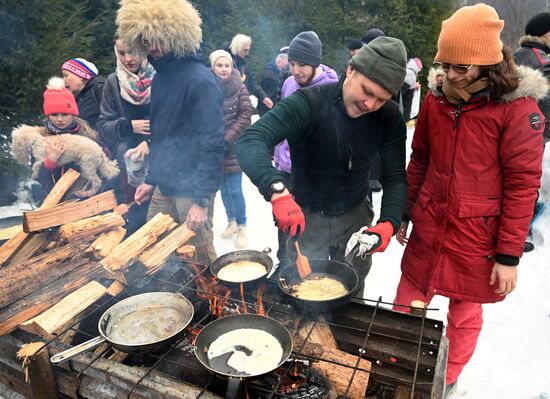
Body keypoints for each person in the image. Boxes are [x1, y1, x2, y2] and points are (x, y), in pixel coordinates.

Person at [393, 4, 545, 395]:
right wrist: (406, 211)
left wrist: (509, 256)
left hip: (478, 233)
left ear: (487, 63)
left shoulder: (517, 110)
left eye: (462, 67)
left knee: (464, 313)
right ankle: (395, 367)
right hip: (431, 219)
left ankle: (446, 379)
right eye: (446, 64)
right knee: (407, 301)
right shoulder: (436, 98)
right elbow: (420, 158)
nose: (450, 75)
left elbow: (523, 185)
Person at [236, 36, 408, 291]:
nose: (370, 104)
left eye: (381, 99)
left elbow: (394, 176)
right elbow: (250, 140)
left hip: (355, 217)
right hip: (306, 215)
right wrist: (277, 191)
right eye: (367, 91)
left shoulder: (389, 117)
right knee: (300, 289)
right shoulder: (309, 102)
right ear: (351, 69)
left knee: (351, 289)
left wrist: (388, 223)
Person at [117, 0, 225, 265]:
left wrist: (201, 200)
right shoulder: (160, 78)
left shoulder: (201, 80)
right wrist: (151, 179)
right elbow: (161, 137)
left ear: (177, 34)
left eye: (158, 38)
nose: (152, 45)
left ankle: (214, 305)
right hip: (165, 185)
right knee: (156, 251)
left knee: (199, 257)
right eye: (146, 39)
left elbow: (212, 143)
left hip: (193, 189)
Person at [273, 30, 339, 268]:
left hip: (312, 173)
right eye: (292, 63)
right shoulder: (289, 83)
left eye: (302, 64)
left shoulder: (332, 87)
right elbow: (281, 121)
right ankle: (283, 264)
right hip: (285, 169)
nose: (296, 70)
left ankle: (308, 269)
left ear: (315, 62)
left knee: (306, 224)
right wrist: (277, 153)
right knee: (282, 220)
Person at [12, 77, 107, 202]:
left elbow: (104, 165)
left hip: (86, 197)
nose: (60, 119)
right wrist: (50, 162)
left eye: (65, 114)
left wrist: (92, 190)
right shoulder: (40, 139)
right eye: (54, 114)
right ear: (48, 115)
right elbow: (40, 179)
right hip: (54, 199)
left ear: (73, 114)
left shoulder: (89, 136)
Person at [97, 35, 156, 234]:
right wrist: (128, 126)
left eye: (133, 52)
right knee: (134, 217)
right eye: (122, 53)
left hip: (160, 160)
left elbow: (174, 119)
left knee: (158, 220)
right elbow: (103, 126)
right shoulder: (113, 82)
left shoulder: (160, 78)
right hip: (128, 164)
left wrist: (150, 139)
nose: (128, 58)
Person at [513, 12, 550, 252]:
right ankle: (520, 234)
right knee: (526, 182)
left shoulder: (515, 55)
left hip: (514, 130)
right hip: (533, 131)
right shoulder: (542, 60)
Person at [209, 49, 252, 248]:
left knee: (235, 188)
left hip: (233, 145)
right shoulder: (207, 86)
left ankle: (242, 225)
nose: (224, 69)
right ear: (213, 67)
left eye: (227, 65)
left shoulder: (239, 87)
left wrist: (228, 138)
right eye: (220, 65)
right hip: (215, 147)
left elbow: (245, 115)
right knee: (223, 188)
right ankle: (232, 221)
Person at [229, 34, 273, 112]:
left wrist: (264, 97)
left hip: (241, 105)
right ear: (237, 48)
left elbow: (252, 84)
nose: (248, 53)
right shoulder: (226, 63)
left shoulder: (244, 65)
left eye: (248, 50)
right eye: (245, 50)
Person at [61, 58, 106, 130]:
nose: (63, 80)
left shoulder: (100, 88)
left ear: (81, 75)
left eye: (66, 75)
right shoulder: (79, 96)